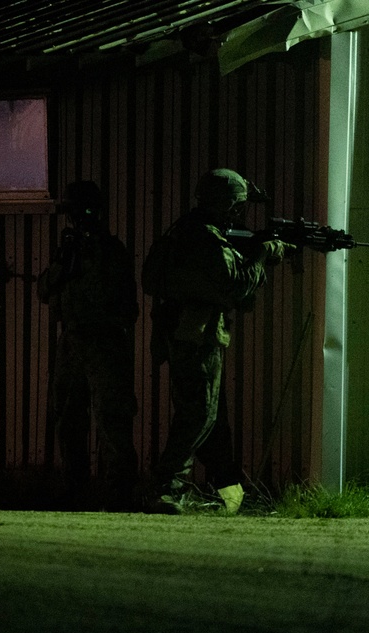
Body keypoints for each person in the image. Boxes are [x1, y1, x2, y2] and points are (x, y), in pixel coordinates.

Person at [143, 168, 290, 514]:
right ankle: (165, 489)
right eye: (238, 206)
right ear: (227, 206)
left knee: (212, 418)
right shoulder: (206, 239)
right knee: (198, 416)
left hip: (183, 334)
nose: (240, 213)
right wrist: (262, 254)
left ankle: (230, 495)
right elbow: (235, 286)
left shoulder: (185, 231)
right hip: (195, 336)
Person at [37, 180, 139, 510]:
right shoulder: (67, 249)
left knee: (111, 416)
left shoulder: (111, 250)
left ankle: (120, 490)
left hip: (105, 340)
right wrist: (64, 264)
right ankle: (74, 487)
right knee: (67, 414)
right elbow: (44, 290)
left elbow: (127, 305)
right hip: (73, 339)